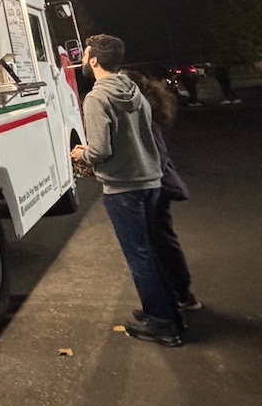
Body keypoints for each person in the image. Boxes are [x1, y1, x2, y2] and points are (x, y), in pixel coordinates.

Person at [71, 34, 185, 346]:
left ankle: (163, 324)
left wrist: (82, 154)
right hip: (150, 180)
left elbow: (100, 150)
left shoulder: (97, 98)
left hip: (123, 188)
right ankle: (166, 311)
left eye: (86, 54)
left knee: (139, 255)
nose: (83, 59)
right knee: (151, 249)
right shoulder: (133, 89)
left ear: (94, 60)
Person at [125, 69, 201, 312]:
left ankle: (182, 296)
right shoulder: (145, 114)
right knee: (160, 242)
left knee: (161, 243)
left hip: (155, 188)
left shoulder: (144, 118)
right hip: (156, 187)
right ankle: (176, 295)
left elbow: (157, 158)